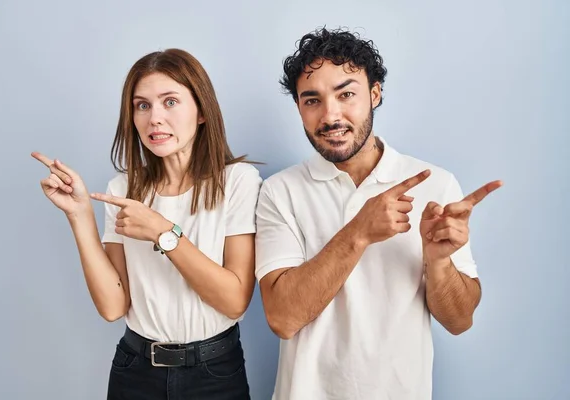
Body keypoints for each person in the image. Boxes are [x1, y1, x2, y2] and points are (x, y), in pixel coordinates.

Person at [254, 27, 503, 400]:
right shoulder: (280, 191)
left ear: (374, 93)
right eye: (312, 100)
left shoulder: (435, 184)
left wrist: (438, 262)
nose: (330, 115)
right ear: (299, 108)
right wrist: (359, 231)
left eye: (346, 95)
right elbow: (283, 318)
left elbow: (459, 320)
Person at [32, 48, 261, 400]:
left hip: (216, 373)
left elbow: (233, 301)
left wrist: (162, 231)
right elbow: (112, 307)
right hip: (135, 372)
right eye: (142, 105)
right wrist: (79, 215)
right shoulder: (122, 189)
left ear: (201, 111)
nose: (154, 118)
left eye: (170, 102)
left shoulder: (238, 182)